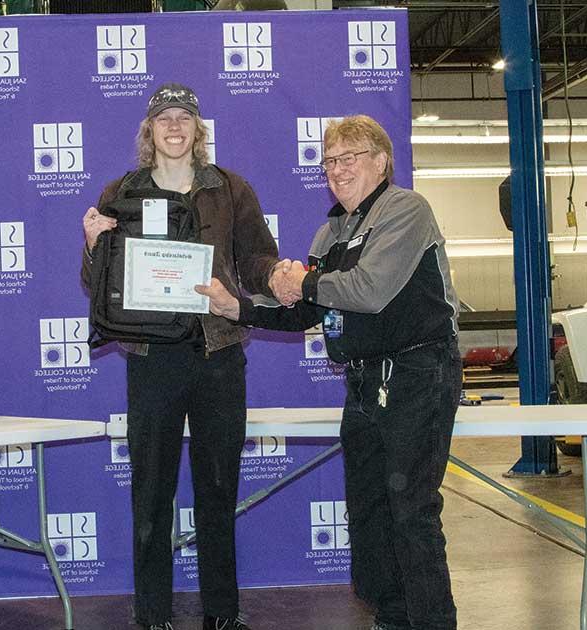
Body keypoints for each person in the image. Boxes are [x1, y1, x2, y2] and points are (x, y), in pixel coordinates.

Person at [196, 115, 462, 630]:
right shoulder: (330, 230)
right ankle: (393, 616)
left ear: (381, 162)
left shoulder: (406, 210)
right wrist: (239, 309)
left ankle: (432, 622)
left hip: (417, 373)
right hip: (364, 383)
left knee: (411, 509)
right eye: (330, 161)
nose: (337, 170)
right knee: (369, 511)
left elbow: (369, 289)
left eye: (350, 158)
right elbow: (303, 311)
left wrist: (305, 280)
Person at [81, 83, 281, 630]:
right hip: (152, 360)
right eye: (163, 118)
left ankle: (222, 613)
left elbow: (259, 259)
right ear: (149, 131)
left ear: (198, 129)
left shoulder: (232, 189)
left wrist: (270, 283)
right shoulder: (120, 192)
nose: (174, 126)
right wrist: (95, 246)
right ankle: (152, 616)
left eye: (184, 117)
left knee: (219, 490)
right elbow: (95, 283)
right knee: (151, 495)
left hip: (219, 356)